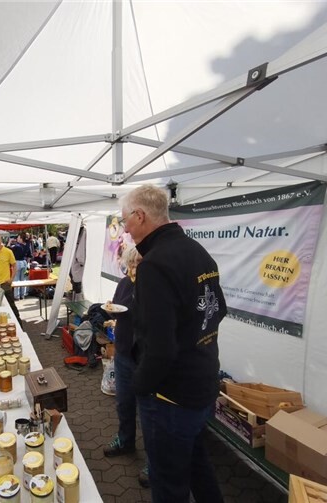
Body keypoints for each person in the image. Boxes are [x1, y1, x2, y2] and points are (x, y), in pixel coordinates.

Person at [120, 184, 227, 503]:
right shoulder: (198, 251)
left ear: (140, 216)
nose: (124, 228)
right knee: (197, 465)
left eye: (125, 220)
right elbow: (218, 311)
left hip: (170, 396)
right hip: (202, 382)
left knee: (168, 484)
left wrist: (140, 386)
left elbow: (160, 348)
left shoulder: (154, 265)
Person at [101, 247, 149, 486]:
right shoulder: (124, 284)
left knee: (149, 412)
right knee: (124, 403)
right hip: (123, 353)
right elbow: (117, 311)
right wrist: (111, 309)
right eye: (133, 263)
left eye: (140, 262)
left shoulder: (154, 287)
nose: (136, 267)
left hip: (146, 357)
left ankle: (154, 462)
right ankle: (125, 440)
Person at [10, 235, 30, 300]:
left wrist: (9, 242)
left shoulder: (17, 246)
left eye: (18, 237)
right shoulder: (27, 245)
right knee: (23, 279)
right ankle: (23, 295)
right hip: (24, 262)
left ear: (21, 238)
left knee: (16, 279)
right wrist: (28, 265)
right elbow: (29, 256)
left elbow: (8, 249)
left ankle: (17, 296)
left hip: (17, 262)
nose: (17, 238)